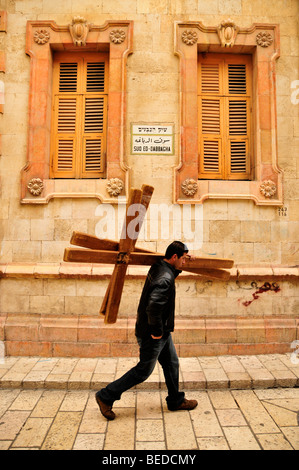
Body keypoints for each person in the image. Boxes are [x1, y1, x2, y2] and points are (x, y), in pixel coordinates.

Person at [95, 241, 198, 420]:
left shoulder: (160, 266)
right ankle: (105, 396)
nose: (184, 262)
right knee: (143, 371)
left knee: (171, 363)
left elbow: (171, 271)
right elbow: (153, 308)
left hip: (161, 332)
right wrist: (157, 333)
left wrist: (185, 259)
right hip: (153, 333)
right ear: (174, 257)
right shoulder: (165, 279)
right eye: (182, 259)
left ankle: (175, 400)